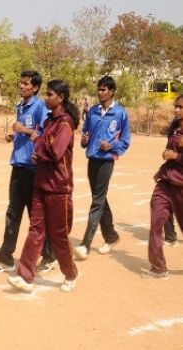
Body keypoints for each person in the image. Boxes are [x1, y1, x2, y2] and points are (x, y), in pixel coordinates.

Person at [8, 79, 79, 293]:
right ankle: (25, 274)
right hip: (41, 183)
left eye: (50, 95)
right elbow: (39, 142)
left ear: (61, 98)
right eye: (46, 94)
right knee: (36, 229)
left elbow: (55, 152)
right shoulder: (49, 122)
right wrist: (40, 143)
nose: (46, 98)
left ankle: (70, 273)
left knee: (58, 234)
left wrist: (40, 145)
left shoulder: (65, 124)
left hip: (58, 186)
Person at [0, 70, 56, 275]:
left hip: (33, 169)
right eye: (21, 83)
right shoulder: (21, 107)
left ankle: (49, 254)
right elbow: (25, 133)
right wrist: (15, 136)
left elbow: (44, 135)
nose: (22, 86)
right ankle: (6, 257)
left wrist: (24, 131)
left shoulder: (40, 108)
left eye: (26, 84)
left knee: (35, 215)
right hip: (18, 166)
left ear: (35, 87)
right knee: (13, 212)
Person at [74, 76, 131, 260]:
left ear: (112, 91)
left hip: (107, 161)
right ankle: (111, 236)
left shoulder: (120, 113)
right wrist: (84, 140)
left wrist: (112, 147)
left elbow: (125, 141)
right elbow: (85, 134)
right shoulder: (92, 112)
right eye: (99, 89)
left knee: (97, 201)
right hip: (92, 159)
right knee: (99, 198)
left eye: (104, 89)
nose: (100, 92)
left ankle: (85, 244)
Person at [143, 94, 183, 279]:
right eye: (176, 106)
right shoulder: (174, 127)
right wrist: (165, 157)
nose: (176, 110)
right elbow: (170, 150)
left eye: (181, 107)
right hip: (165, 183)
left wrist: (176, 157)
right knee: (156, 222)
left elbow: (176, 155)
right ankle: (158, 268)